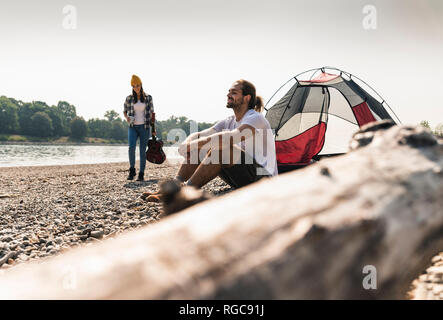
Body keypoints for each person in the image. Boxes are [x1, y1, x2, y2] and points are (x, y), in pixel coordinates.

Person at [144, 79, 277, 202]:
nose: (228, 95)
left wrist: (194, 145)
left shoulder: (255, 118)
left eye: (234, 92)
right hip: (242, 179)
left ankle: (183, 193)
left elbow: (230, 138)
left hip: (263, 180)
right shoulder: (229, 120)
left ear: (247, 98)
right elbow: (200, 134)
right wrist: (187, 144)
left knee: (222, 148)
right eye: (229, 92)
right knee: (200, 147)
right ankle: (174, 186)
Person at [123, 75, 155, 181]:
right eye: (134, 86)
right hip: (133, 126)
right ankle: (132, 170)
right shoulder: (129, 98)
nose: (136, 87)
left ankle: (141, 173)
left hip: (145, 127)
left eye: (138, 85)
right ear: (132, 86)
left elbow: (152, 113)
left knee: (142, 151)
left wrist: (153, 129)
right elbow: (124, 110)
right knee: (131, 147)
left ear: (141, 85)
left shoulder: (148, 98)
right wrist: (127, 117)